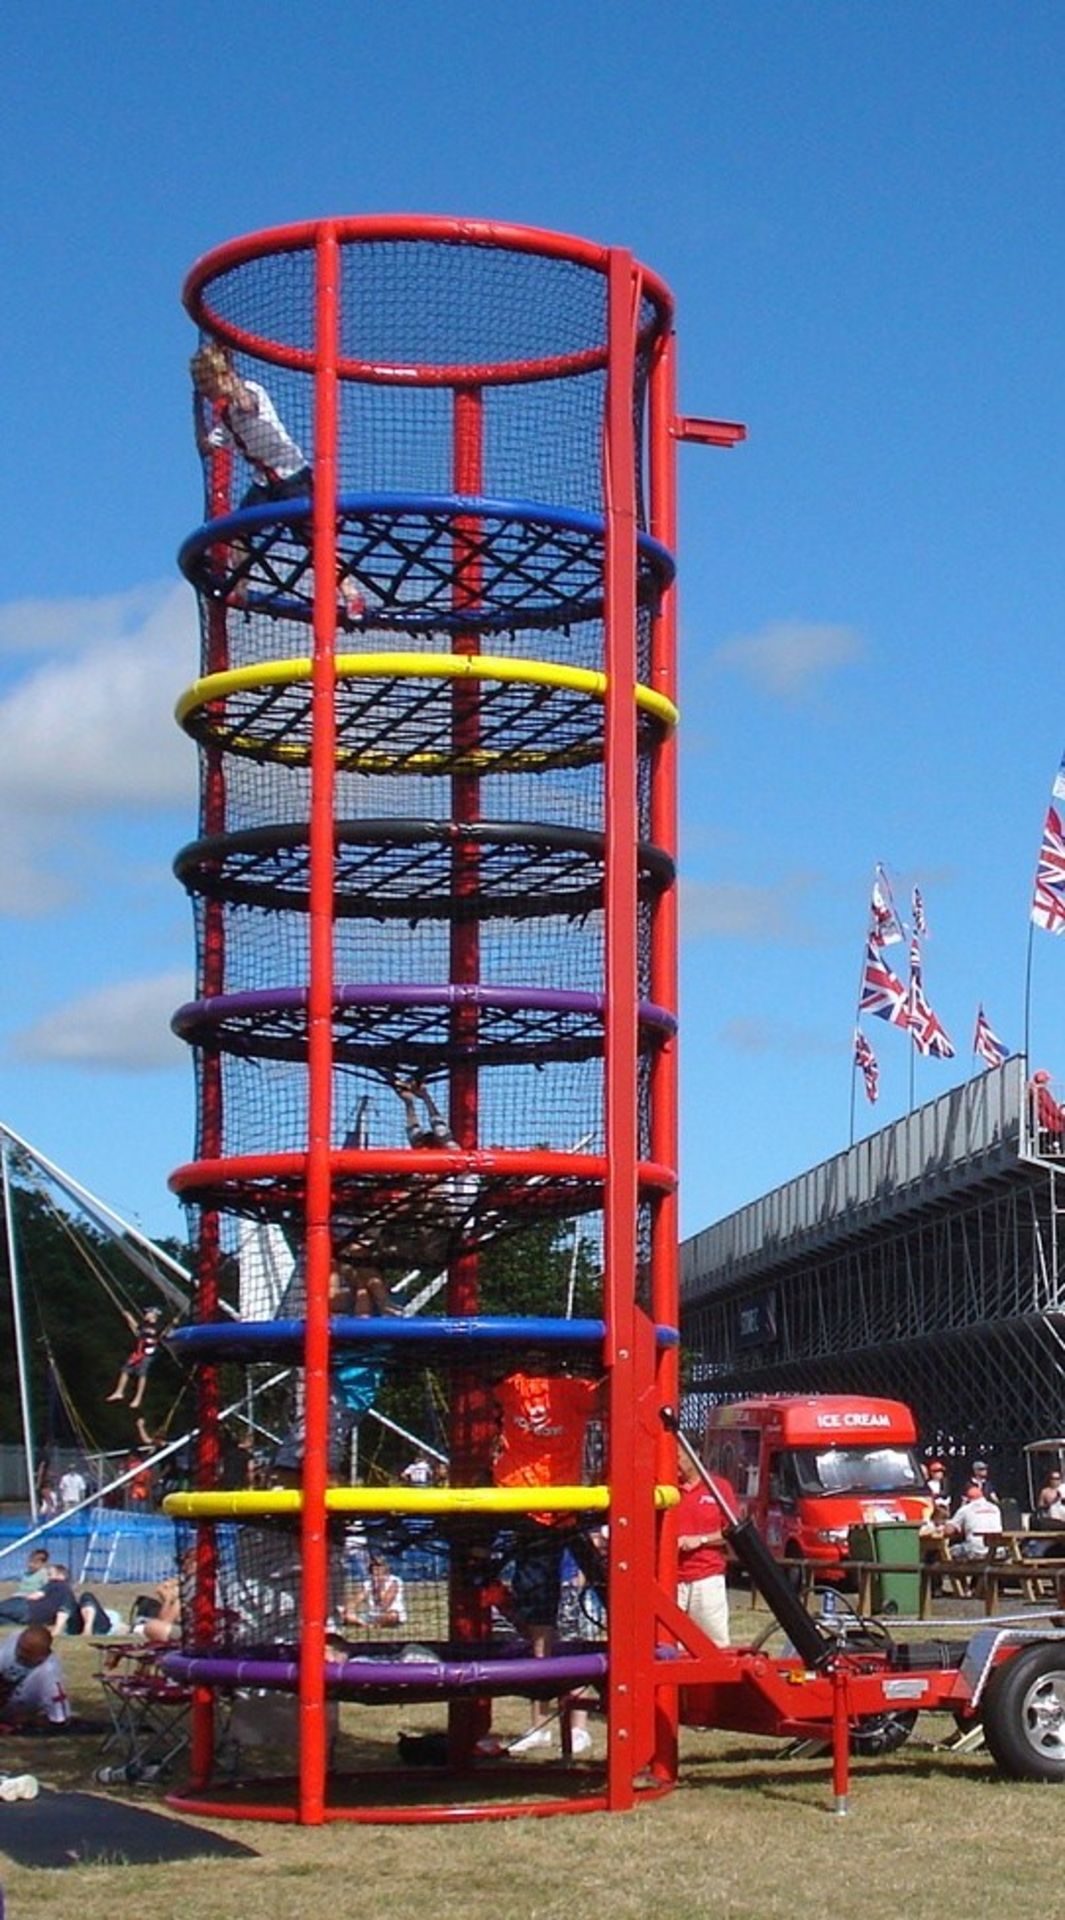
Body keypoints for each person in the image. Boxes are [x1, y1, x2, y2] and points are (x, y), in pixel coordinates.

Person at [190, 341, 365, 620]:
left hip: (293, 477)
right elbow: (204, 447)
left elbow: (246, 402)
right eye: (207, 391)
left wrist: (227, 371)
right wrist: (197, 407)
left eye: (212, 388)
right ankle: (242, 589)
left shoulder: (251, 392)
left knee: (316, 541)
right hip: (265, 484)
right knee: (238, 533)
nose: (212, 395)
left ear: (223, 379)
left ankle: (351, 594)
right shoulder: (225, 418)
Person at [487, 1368, 605, 1756]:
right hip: (519, 1505)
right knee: (535, 1617)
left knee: (558, 1621)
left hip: (555, 1511)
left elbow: (607, 1398)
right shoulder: (515, 1385)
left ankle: (572, 1722)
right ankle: (542, 1722)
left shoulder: (569, 1390)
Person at [675, 1446, 731, 1649]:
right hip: (671, 1581)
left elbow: (731, 1533)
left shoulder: (718, 1488)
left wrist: (701, 1540)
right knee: (670, 1645)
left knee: (714, 1646)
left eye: (678, 1457)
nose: (674, 1464)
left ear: (694, 1455)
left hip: (707, 1579)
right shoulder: (665, 1492)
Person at [0, 1625, 69, 1728]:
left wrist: (24, 1723)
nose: (20, 1654)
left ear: (42, 1656)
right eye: (20, 1648)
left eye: (28, 1652)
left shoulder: (49, 1676)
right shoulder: (13, 1641)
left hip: (20, 1712)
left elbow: (59, 1720)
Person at [343, 1553, 406, 1630]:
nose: (376, 1570)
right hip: (371, 1616)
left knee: (393, 1615)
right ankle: (367, 1625)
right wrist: (348, 1609)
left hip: (389, 1614)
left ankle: (373, 1625)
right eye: (374, 1567)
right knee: (345, 1615)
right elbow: (357, 1599)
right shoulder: (368, 1583)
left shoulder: (395, 1581)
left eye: (379, 1567)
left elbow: (385, 1604)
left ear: (385, 1568)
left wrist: (379, 1586)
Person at [944, 1482, 1003, 1561]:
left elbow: (948, 1531)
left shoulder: (966, 1509)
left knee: (950, 1551)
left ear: (966, 1498)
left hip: (976, 1551)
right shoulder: (995, 1508)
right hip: (998, 1551)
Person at [1028, 1069, 1065, 1155]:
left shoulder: (1036, 1092)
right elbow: (1051, 1109)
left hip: (1046, 1119)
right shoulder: (1042, 1093)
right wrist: (1062, 1116)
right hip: (1049, 1120)